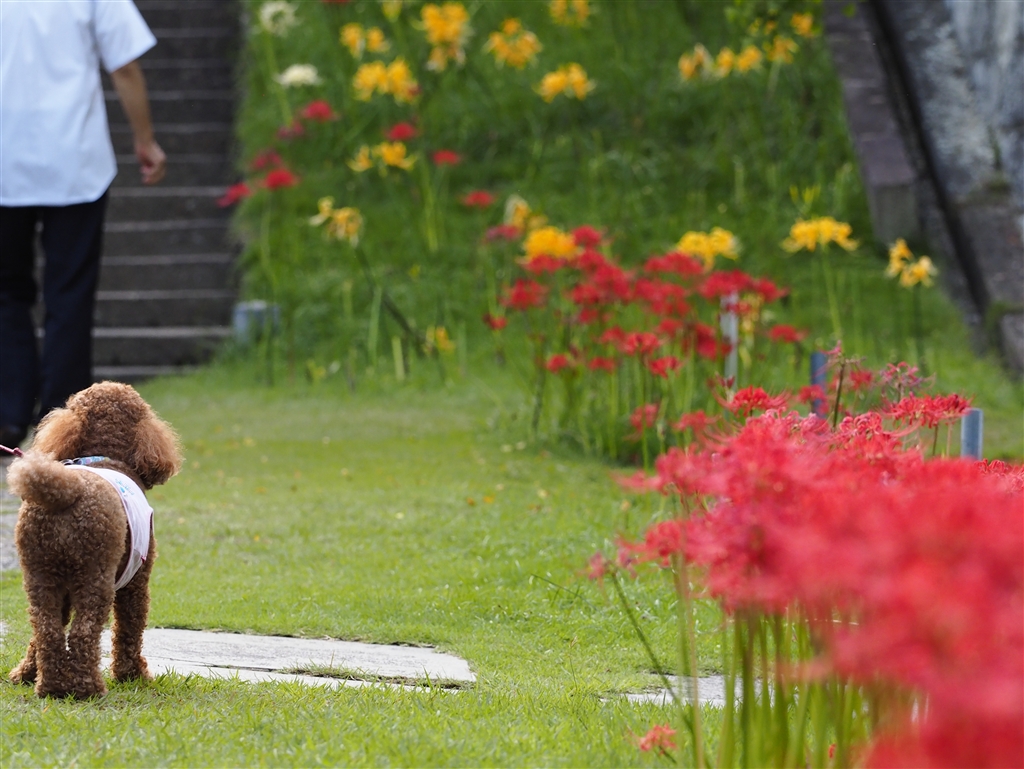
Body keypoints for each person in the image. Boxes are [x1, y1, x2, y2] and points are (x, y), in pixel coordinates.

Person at [0, 0, 165, 449]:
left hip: (5, 157)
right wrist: (145, 139)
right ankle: (63, 422)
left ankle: (7, 412)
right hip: (74, 158)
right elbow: (124, 65)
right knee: (69, 294)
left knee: (6, 292)